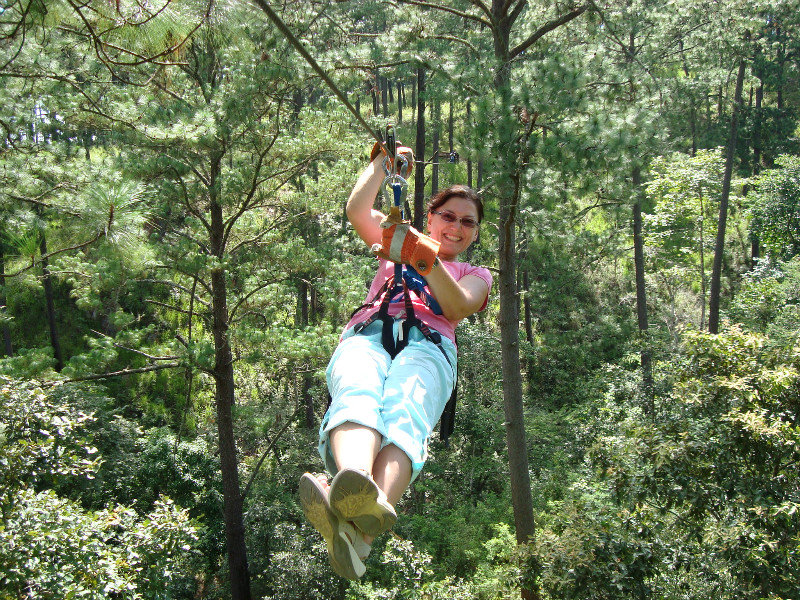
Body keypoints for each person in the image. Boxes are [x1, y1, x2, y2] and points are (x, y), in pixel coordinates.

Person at [299, 143, 492, 580]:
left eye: (467, 222)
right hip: (370, 332)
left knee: (406, 414)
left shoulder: (475, 275)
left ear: (475, 234)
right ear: (431, 218)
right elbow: (357, 210)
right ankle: (357, 518)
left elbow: (457, 306)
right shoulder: (393, 242)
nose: (456, 227)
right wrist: (382, 165)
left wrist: (420, 257)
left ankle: (355, 510)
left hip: (429, 345)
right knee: (358, 391)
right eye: (448, 216)